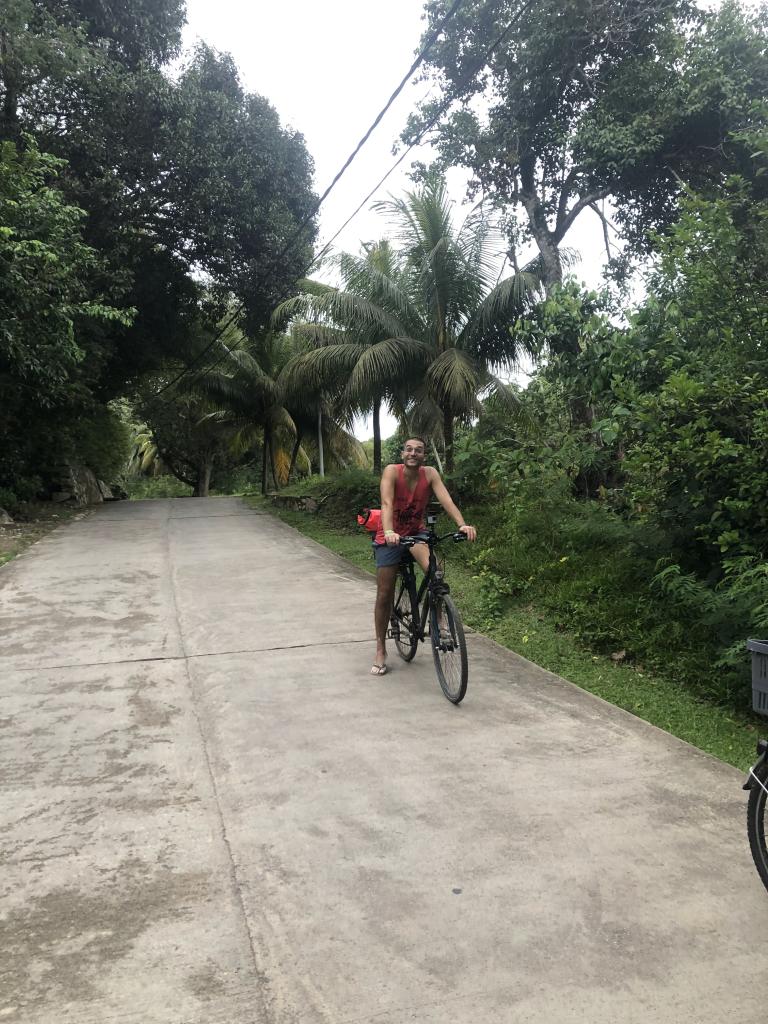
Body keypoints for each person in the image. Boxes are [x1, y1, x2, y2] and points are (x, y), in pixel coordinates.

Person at [370, 437, 476, 675]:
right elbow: (386, 503)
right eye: (409, 449)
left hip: (416, 534)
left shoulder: (429, 474)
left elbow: (446, 499)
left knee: (435, 570)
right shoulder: (392, 472)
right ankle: (380, 647)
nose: (413, 453)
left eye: (418, 450)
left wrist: (462, 524)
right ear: (402, 454)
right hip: (390, 535)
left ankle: (439, 621)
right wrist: (388, 531)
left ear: (424, 456)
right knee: (384, 594)